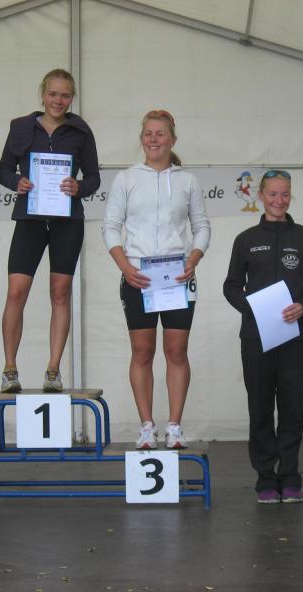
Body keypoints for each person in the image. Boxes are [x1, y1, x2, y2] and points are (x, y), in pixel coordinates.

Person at [102, 109, 210, 449]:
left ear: (172, 139)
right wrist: (125, 267)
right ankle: (146, 427)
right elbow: (110, 227)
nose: (153, 139)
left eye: (160, 133)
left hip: (177, 276)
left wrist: (193, 258)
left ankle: (174, 427)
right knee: (142, 351)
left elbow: (202, 226)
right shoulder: (126, 179)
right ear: (141, 138)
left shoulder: (188, 181)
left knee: (177, 351)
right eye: (148, 133)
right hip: (139, 277)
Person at [224, 170, 303, 504]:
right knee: (261, 407)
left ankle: (291, 476)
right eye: (272, 194)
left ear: (290, 196)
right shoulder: (246, 240)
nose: (278, 200)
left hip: (297, 336)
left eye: (284, 194)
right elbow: (231, 285)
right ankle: (266, 478)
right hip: (256, 337)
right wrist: (252, 308)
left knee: (293, 407)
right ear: (260, 196)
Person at [0, 68, 100, 393]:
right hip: (29, 218)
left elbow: (94, 178)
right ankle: (10, 369)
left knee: (60, 293)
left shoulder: (81, 130)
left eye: (65, 95)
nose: (58, 100)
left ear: (72, 98)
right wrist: (17, 181)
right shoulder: (21, 126)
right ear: (43, 94)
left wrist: (79, 187)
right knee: (16, 292)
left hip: (66, 221)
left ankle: (53, 370)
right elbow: (3, 169)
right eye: (53, 94)